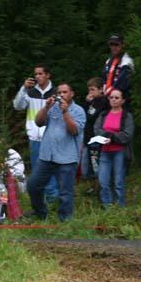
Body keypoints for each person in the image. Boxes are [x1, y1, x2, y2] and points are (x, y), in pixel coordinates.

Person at [26, 83, 86, 221]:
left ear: (72, 93)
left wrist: (65, 112)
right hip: (47, 155)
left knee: (65, 193)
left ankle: (65, 221)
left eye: (65, 92)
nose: (62, 95)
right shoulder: (52, 108)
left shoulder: (78, 111)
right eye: (59, 92)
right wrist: (46, 107)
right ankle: (40, 214)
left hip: (67, 158)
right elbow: (38, 122)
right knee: (33, 185)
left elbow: (74, 130)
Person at [13, 64, 59, 200]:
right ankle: (40, 201)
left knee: (50, 168)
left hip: (50, 137)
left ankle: (52, 198)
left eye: (40, 74)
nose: (37, 77)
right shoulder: (30, 92)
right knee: (37, 171)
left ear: (47, 75)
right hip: (34, 137)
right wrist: (24, 88)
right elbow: (17, 106)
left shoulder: (56, 92)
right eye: (36, 74)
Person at [94, 89, 134, 207]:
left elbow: (128, 134)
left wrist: (112, 137)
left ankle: (120, 207)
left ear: (123, 100)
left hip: (119, 152)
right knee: (103, 180)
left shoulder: (127, 116)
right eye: (111, 97)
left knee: (118, 181)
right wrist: (106, 136)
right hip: (105, 151)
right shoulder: (104, 114)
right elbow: (97, 129)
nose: (113, 100)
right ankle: (107, 206)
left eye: (117, 98)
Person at [81, 78, 108, 186]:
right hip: (87, 138)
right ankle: (92, 186)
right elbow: (83, 115)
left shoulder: (104, 102)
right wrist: (87, 103)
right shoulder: (91, 102)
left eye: (93, 90)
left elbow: (93, 117)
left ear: (101, 89)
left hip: (96, 139)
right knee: (86, 167)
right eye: (89, 90)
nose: (90, 93)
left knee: (95, 166)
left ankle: (99, 187)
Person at [103, 34, 134, 107]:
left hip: (122, 99)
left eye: (116, 45)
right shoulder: (108, 61)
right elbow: (104, 78)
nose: (113, 47)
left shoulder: (127, 61)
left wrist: (109, 93)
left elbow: (122, 83)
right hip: (109, 98)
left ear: (123, 45)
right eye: (111, 45)